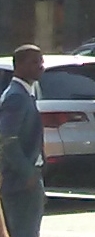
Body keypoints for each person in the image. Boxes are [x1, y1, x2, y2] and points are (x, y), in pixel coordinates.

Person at [0, 45, 46, 237]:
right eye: (34, 62)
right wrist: (28, 173)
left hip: (29, 179)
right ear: (19, 65)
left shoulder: (27, 93)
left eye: (41, 61)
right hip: (20, 182)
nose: (40, 66)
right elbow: (6, 139)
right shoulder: (16, 96)